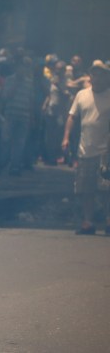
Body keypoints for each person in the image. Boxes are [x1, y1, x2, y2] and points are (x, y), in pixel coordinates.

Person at [62, 61, 110, 235]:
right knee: (86, 189)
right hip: (85, 149)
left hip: (106, 153)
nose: (97, 77)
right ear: (91, 76)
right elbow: (72, 117)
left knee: (107, 190)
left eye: (101, 74)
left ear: (107, 77)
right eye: (94, 74)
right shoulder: (82, 95)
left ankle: (108, 221)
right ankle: (88, 222)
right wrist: (66, 138)